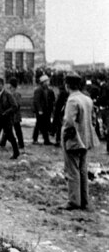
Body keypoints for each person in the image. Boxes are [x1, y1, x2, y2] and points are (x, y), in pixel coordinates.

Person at [60, 72, 98, 210]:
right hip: (86, 139)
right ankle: (84, 200)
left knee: (72, 171)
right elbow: (93, 120)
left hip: (74, 140)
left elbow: (69, 122)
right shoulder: (87, 99)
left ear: (67, 85)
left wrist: (65, 138)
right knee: (82, 170)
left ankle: (74, 201)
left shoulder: (72, 100)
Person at [0, 77, 25, 153]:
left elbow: (18, 104)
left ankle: (21, 143)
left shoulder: (16, 94)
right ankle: (3, 142)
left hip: (15, 114)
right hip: (11, 114)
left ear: (11, 85)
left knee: (17, 129)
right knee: (8, 128)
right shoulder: (11, 93)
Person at [32, 74, 54, 145]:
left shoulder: (48, 90)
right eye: (47, 81)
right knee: (39, 124)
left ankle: (46, 140)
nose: (48, 82)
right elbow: (36, 101)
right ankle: (36, 139)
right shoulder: (38, 90)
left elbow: (51, 100)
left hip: (46, 111)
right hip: (41, 111)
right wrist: (39, 110)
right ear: (43, 82)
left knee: (45, 125)